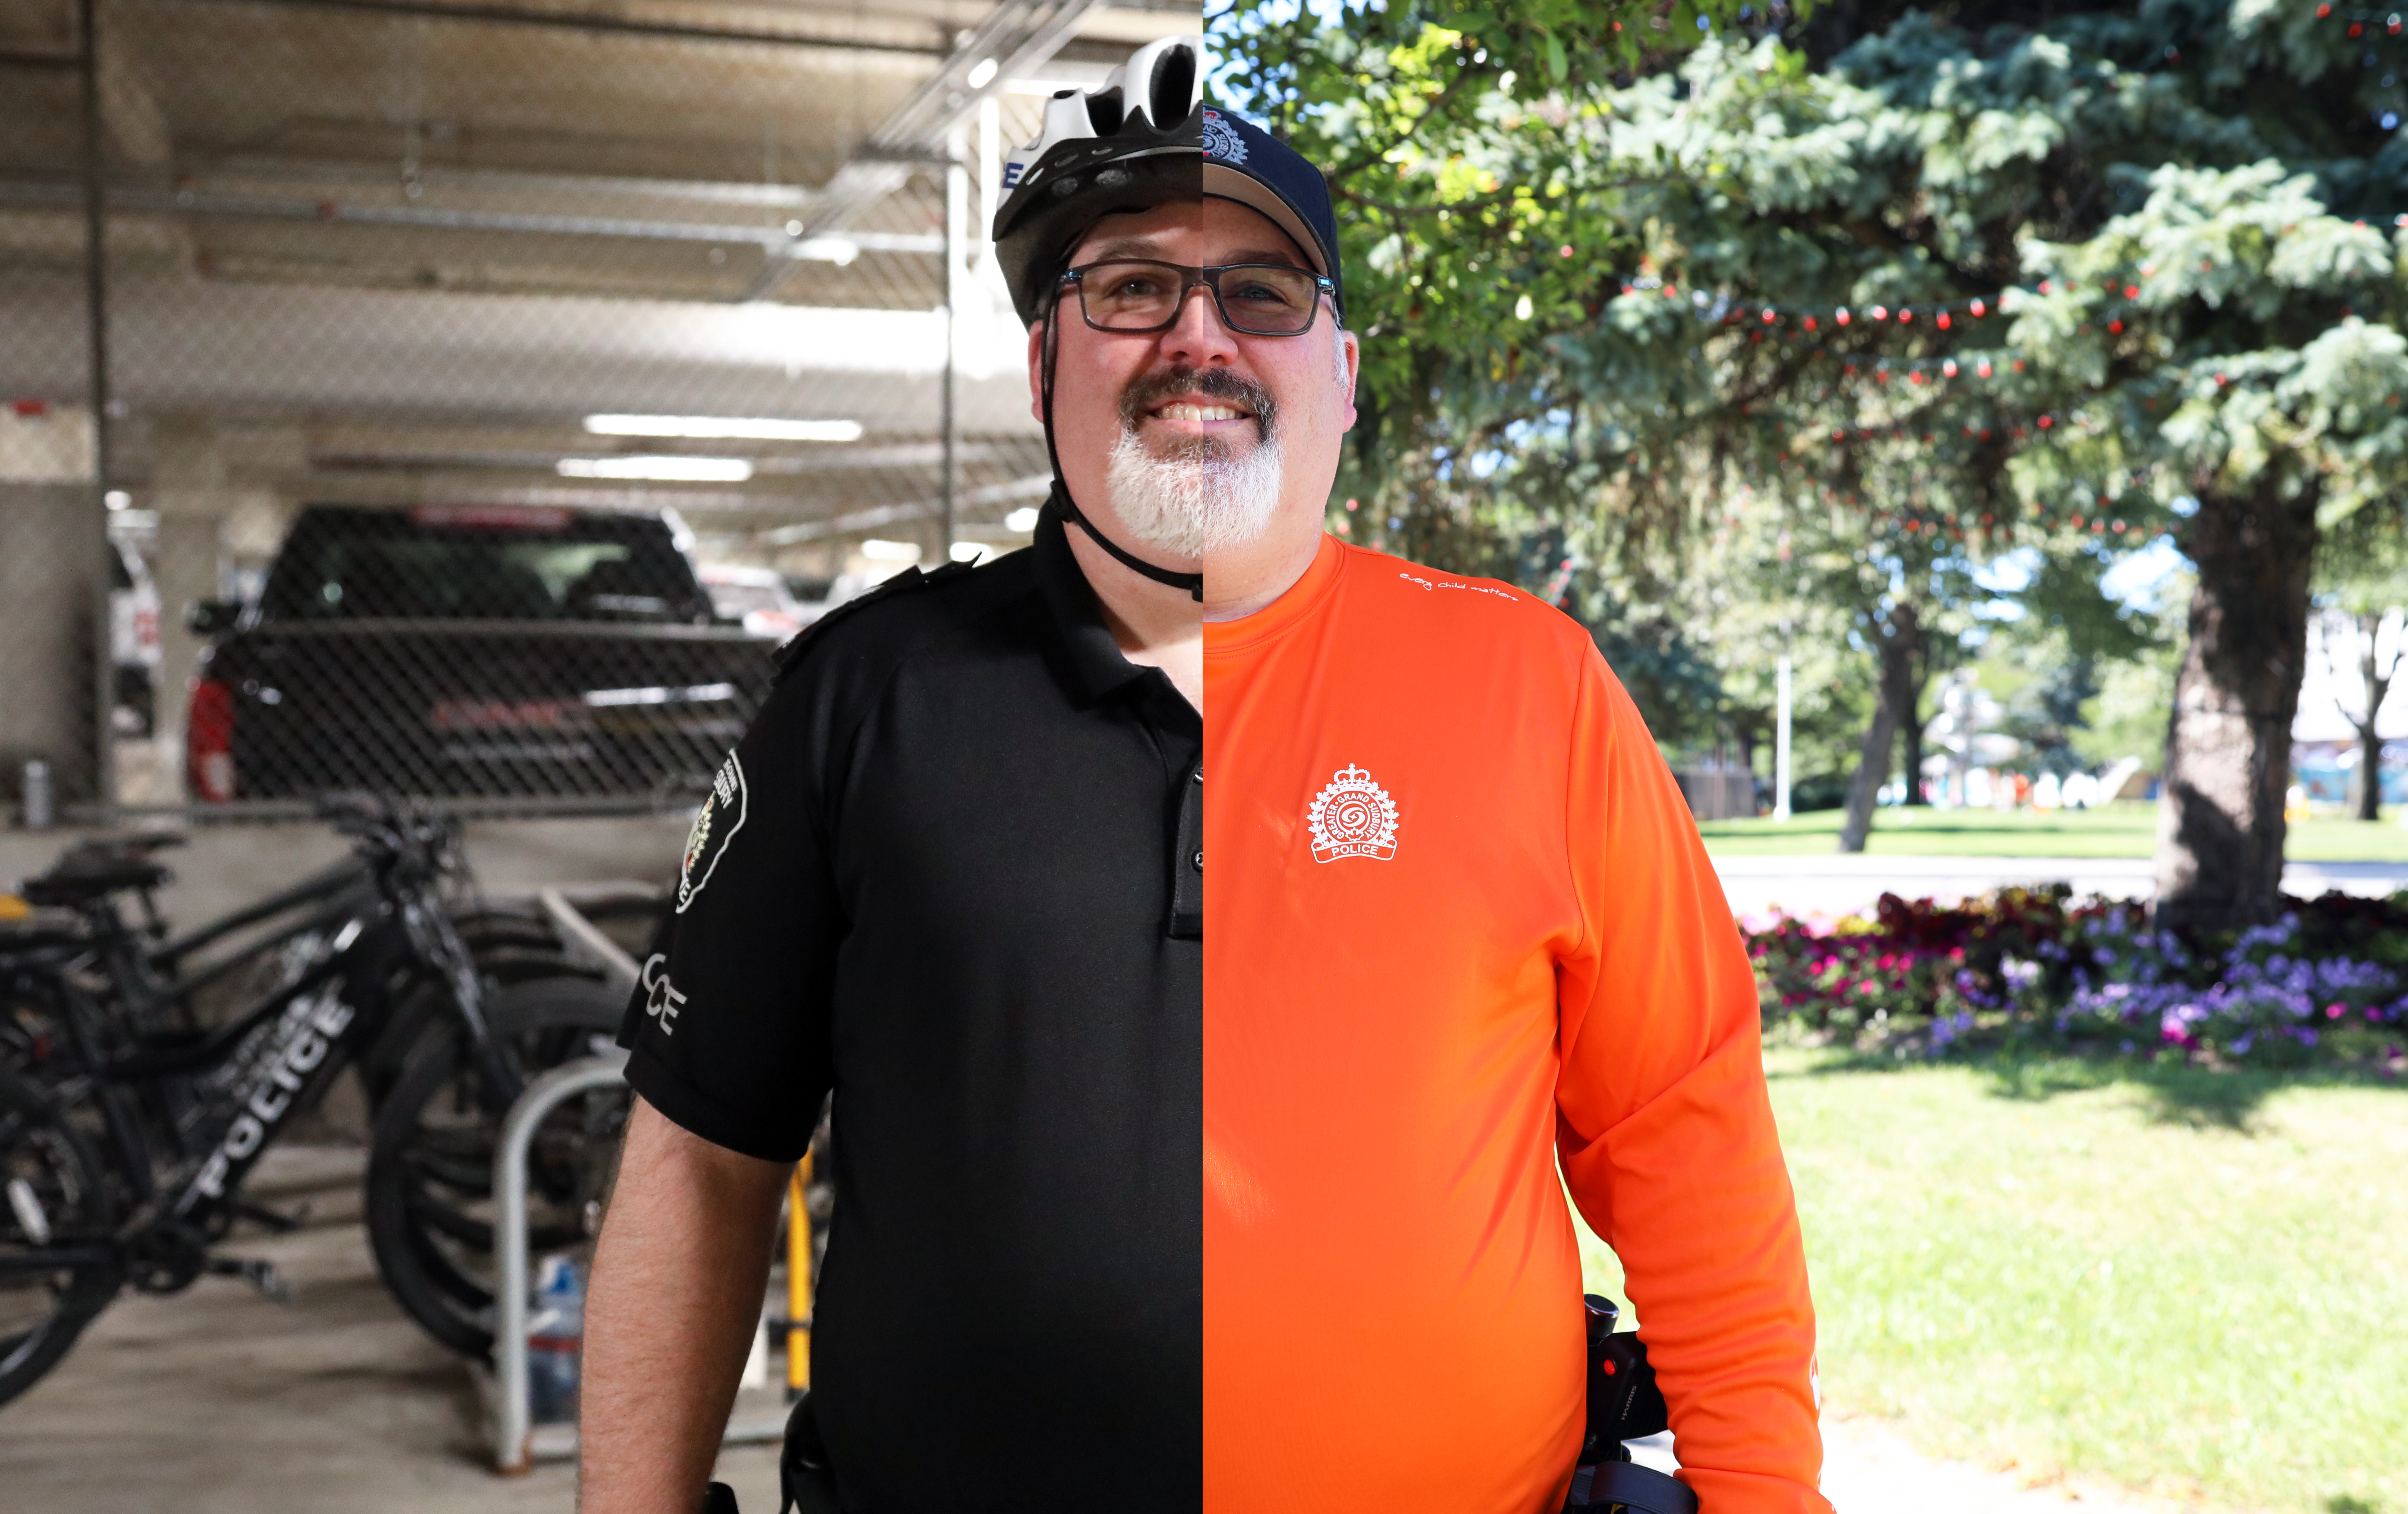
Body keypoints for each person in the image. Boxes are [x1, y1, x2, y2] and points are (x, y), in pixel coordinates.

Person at [580, 32, 1829, 1514]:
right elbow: (701, 1160)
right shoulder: (863, 696)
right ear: (1046, 362)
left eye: (1260, 291)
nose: (1198, 335)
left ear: (1342, 376)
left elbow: (1690, 1152)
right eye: (1126, 289)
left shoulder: (1530, 687)